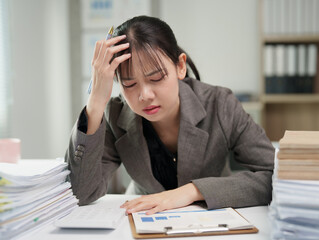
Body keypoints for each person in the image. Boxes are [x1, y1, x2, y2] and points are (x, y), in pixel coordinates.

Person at [65, 15, 274, 215]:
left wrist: (192, 191)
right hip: (141, 219)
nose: (145, 95)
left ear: (180, 66)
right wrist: (95, 103)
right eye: (129, 84)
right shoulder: (114, 114)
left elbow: (273, 175)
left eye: (156, 78)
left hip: (212, 219)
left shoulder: (221, 104)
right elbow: (79, 193)